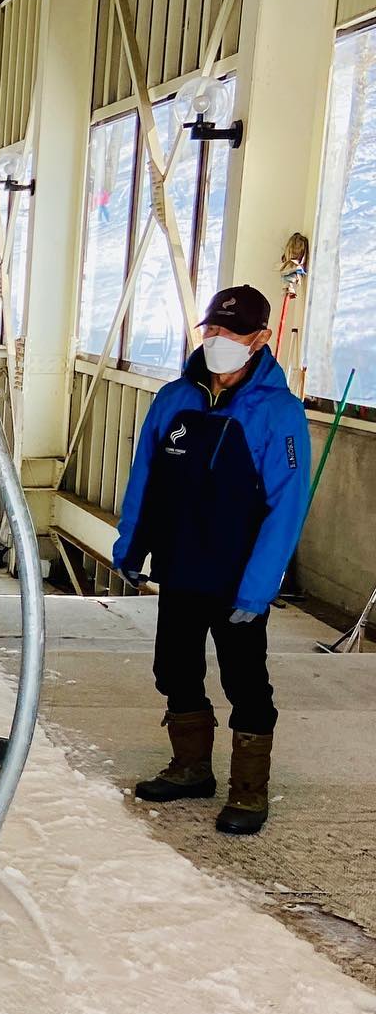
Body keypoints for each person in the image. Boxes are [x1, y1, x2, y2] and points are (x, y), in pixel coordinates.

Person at [113, 285, 311, 836]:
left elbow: (286, 507)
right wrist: (131, 545)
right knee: (174, 668)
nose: (220, 340)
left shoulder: (278, 412)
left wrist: (257, 590)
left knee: (246, 680)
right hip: (180, 566)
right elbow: (144, 480)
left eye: (233, 331)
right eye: (213, 330)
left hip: (237, 575)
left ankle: (249, 791)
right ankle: (190, 768)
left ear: (261, 338)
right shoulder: (175, 398)